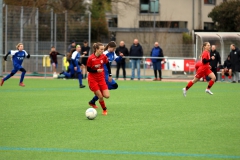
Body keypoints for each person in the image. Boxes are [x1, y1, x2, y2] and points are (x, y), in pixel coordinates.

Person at [88, 41, 123, 110]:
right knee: (110, 87)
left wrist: (121, 57)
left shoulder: (113, 53)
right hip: (102, 74)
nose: (114, 50)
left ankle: (93, 101)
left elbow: (117, 60)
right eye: (113, 48)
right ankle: (94, 101)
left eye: (114, 48)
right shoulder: (104, 53)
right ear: (109, 47)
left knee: (115, 86)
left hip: (107, 74)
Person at [87, 42, 113, 115]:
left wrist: (110, 75)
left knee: (107, 96)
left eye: (103, 49)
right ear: (96, 49)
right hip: (93, 79)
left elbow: (108, 64)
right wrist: (96, 70)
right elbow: (88, 69)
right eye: (101, 49)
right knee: (100, 96)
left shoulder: (103, 56)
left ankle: (93, 100)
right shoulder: (90, 58)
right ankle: (104, 110)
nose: (103, 51)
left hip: (101, 78)